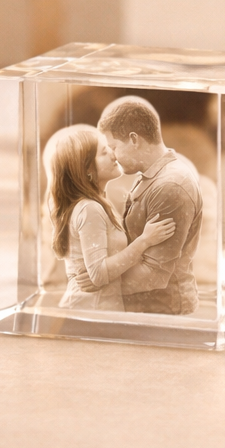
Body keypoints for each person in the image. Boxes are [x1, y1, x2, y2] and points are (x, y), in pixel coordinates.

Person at [95, 96, 204, 315]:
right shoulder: (151, 175)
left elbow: (155, 274)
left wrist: (97, 286)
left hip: (164, 313)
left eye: (114, 146)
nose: (113, 157)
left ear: (134, 139)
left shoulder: (170, 186)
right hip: (148, 309)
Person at [49, 127, 177, 311]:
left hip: (99, 308)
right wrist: (145, 241)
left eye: (110, 148)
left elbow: (99, 272)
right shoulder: (89, 208)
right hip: (90, 311)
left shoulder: (98, 204)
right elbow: (99, 275)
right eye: (104, 152)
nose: (113, 155)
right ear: (87, 170)